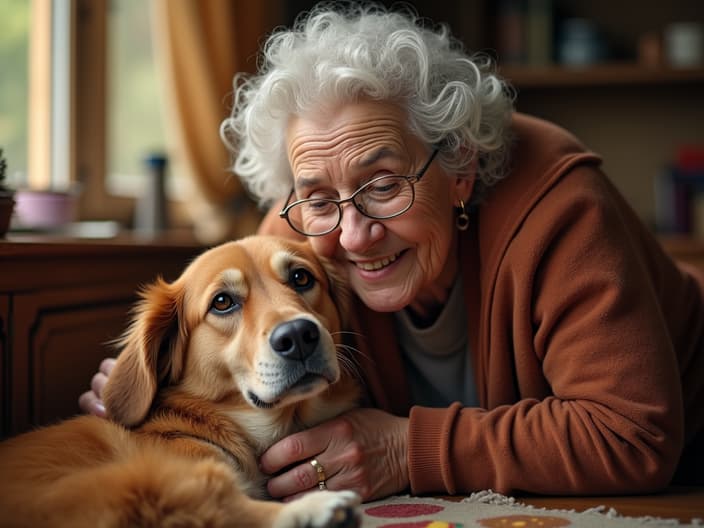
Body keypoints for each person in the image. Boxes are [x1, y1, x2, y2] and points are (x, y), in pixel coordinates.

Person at [80, 2, 704, 502]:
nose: (353, 234)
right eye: (319, 197)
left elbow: (632, 436)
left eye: (383, 186)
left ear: (459, 167)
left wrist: (408, 449)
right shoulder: (292, 245)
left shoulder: (564, 210)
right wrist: (149, 396)